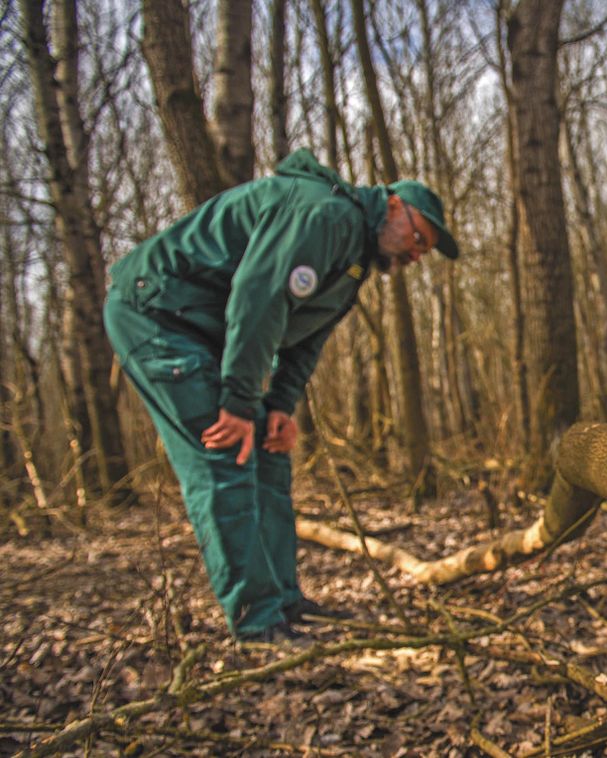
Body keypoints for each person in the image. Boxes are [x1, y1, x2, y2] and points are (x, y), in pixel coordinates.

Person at [104, 149, 458, 645]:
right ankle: (256, 622)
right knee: (225, 451)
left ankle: (285, 602)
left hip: (212, 333)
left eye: (424, 252)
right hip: (157, 311)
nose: (415, 255)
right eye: (418, 238)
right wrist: (239, 401)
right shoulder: (324, 214)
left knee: (269, 455)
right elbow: (259, 296)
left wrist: (279, 408)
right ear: (394, 205)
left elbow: (303, 341)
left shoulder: (353, 261)